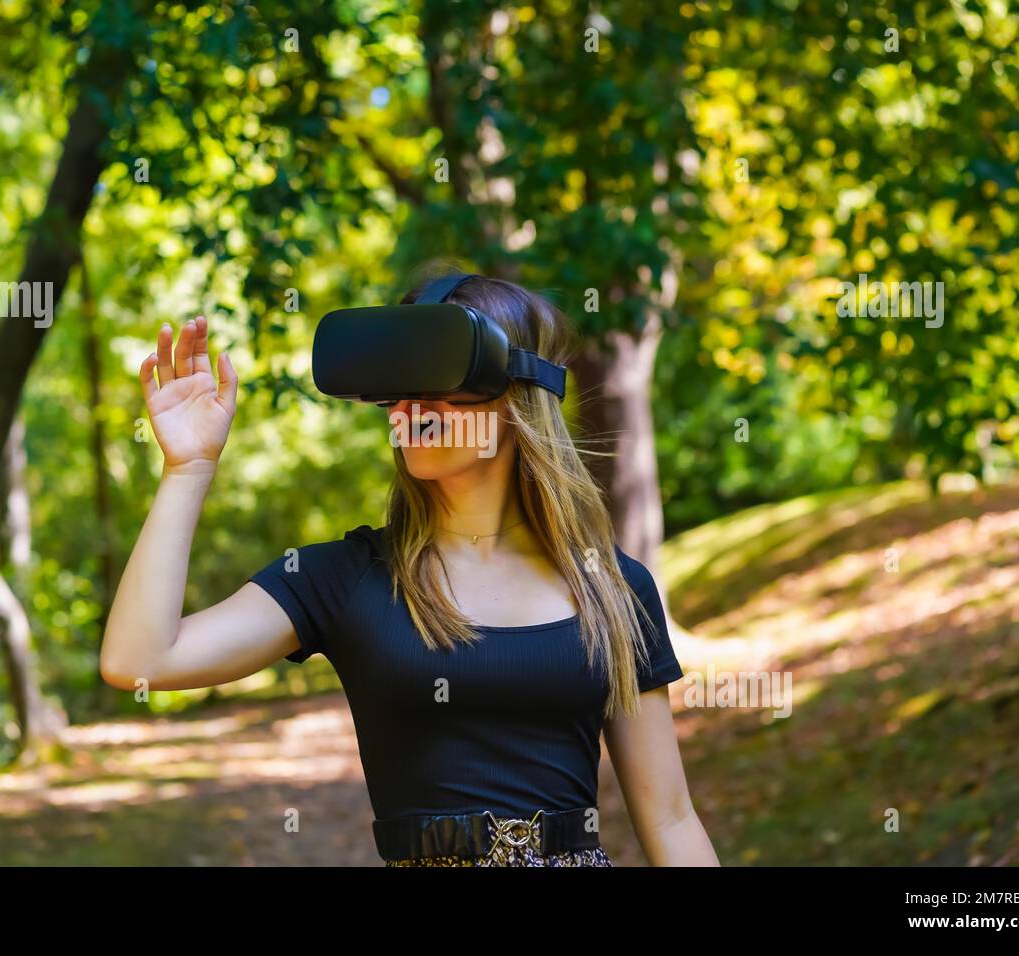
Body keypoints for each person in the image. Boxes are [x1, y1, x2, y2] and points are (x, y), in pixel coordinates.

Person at [100, 270, 719, 866]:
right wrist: (188, 470)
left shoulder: (612, 588)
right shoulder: (341, 578)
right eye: (399, 383)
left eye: (438, 372)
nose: (411, 406)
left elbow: (669, 818)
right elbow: (141, 661)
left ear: (518, 393)